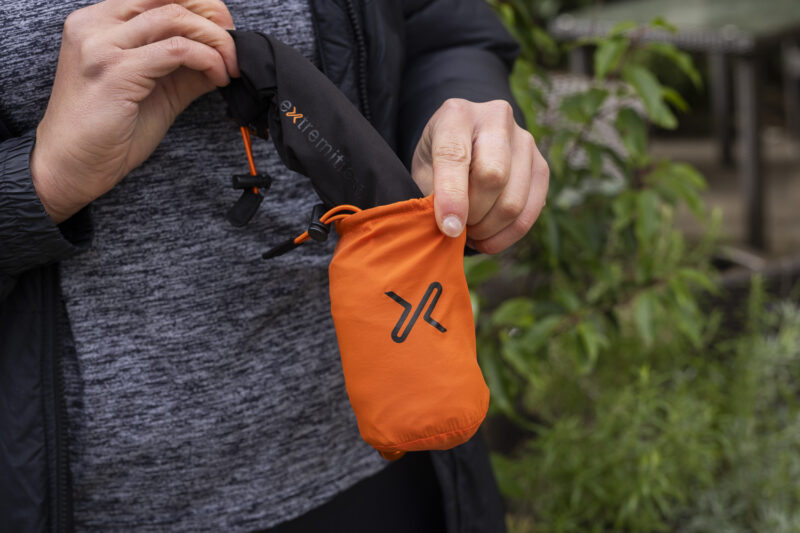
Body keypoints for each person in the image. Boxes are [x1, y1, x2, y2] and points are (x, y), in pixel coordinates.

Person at [0, 1, 549, 531]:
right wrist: (38, 181)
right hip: (75, 501)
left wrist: (466, 124)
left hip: (381, 460)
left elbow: (441, 28)